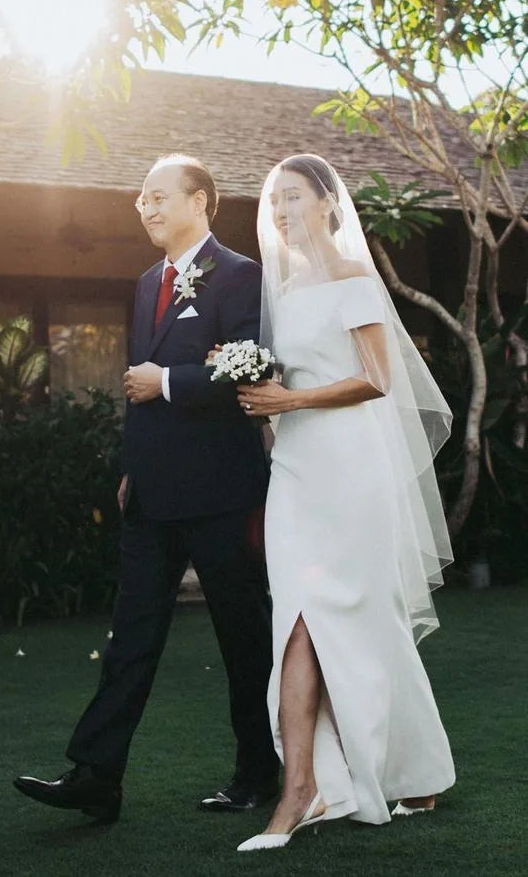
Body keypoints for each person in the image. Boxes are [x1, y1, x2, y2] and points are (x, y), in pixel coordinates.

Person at [13, 154, 278, 823]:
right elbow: (136, 394)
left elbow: (248, 369)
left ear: (201, 202)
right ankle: (97, 777)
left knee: (244, 640)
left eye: (159, 196)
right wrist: (133, 466)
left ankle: (259, 776)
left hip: (223, 494)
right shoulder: (142, 284)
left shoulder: (241, 276)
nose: (146, 208)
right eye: (140, 199)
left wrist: (165, 381)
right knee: (129, 638)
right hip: (153, 496)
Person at [234, 154, 455, 852]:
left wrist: (287, 398)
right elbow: (287, 381)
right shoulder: (286, 290)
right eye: (274, 204)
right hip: (296, 468)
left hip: (352, 468)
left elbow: (377, 378)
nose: (282, 213)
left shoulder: (355, 279)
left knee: (365, 622)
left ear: (329, 203)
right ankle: (307, 784)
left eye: (293, 198)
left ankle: (386, 775)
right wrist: (261, 402)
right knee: (297, 622)